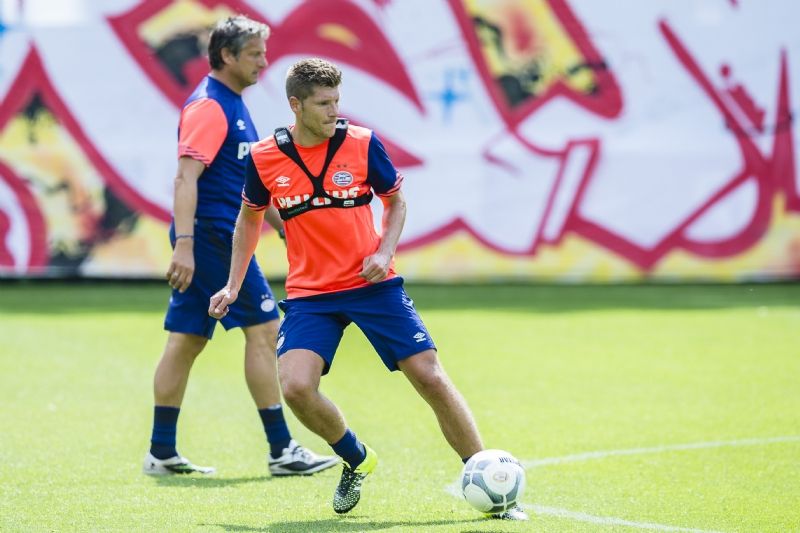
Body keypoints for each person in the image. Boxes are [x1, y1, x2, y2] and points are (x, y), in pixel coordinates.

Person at [208, 57, 527, 520]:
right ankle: (356, 457)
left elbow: (396, 202)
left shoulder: (361, 143)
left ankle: (487, 479)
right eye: (323, 103)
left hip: (373, 285)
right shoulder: (264, 157)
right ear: (295, 105)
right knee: (295, 387)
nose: (334, 111)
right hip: (311, 295)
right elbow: (249, 220)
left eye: (337, 100)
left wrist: (384, 251)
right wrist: (233, 285)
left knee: (429, 376)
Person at [143, 17, 337, 477]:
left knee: (187, 339)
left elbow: (245, 185)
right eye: (254, 54)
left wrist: (285, 225)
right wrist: (185, 245)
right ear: (227, 56)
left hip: (208, 235)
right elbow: (185, 178)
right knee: (265, 330)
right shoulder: (210, 106)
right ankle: (282, 450)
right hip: (211, 237)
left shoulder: (230, 103)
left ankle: (161, 451)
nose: (264, 62)